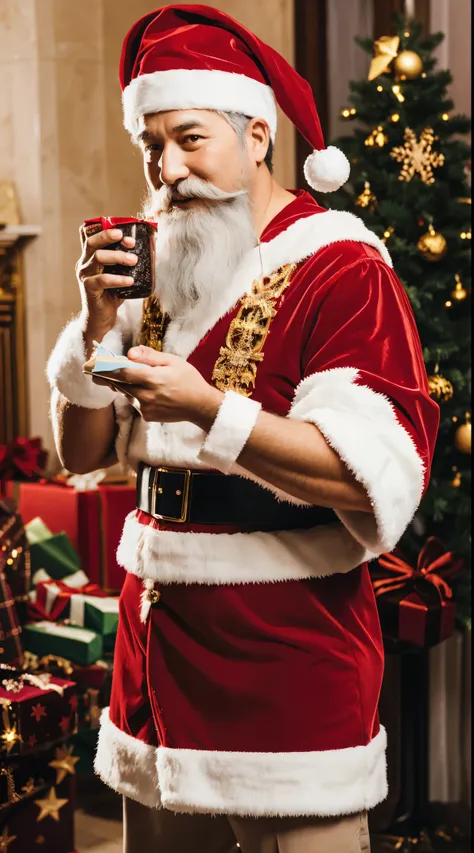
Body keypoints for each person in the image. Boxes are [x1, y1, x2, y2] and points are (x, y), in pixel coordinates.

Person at [47, 5, 440, 852]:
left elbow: (369, 472)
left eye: (192, 138)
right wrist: (92, 323)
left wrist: (208, 410)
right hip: (156, 652)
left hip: (287, 655)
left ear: (258, 134)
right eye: (151, 146)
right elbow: (78, 452)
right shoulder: (158, 264)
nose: (168, 168)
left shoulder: (343, 266)